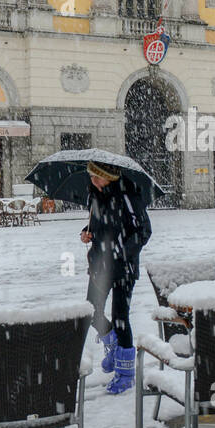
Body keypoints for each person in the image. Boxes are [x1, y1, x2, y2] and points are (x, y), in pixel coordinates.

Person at [80, 160, 151, 394]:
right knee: (91, 311)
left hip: (123, 267)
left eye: (97, 176)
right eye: (91, 176)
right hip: (99, 264)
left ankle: (125, 372)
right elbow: (98, 225)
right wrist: (86, 233)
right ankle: (114, 347)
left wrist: (123, 251)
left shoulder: (128, 195)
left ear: (109, 176)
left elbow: (143, 230)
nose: (93, 181)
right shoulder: (94, 196)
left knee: (120, 317)